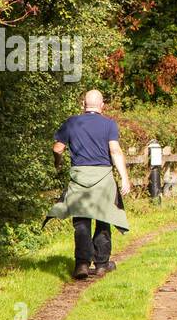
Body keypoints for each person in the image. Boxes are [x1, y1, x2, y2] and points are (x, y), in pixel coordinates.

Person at [46, 90, 131, 279]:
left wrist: (58, 163)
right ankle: (101, 264)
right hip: (103, 179)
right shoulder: (109, 124)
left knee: (81, 222)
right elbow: (115, 151)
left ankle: (82, 265)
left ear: (83, 104)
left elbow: (58, 148)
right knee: (103, 219)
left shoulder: (72, 122)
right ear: (102, 106)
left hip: (79, 178)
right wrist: (124, 177)